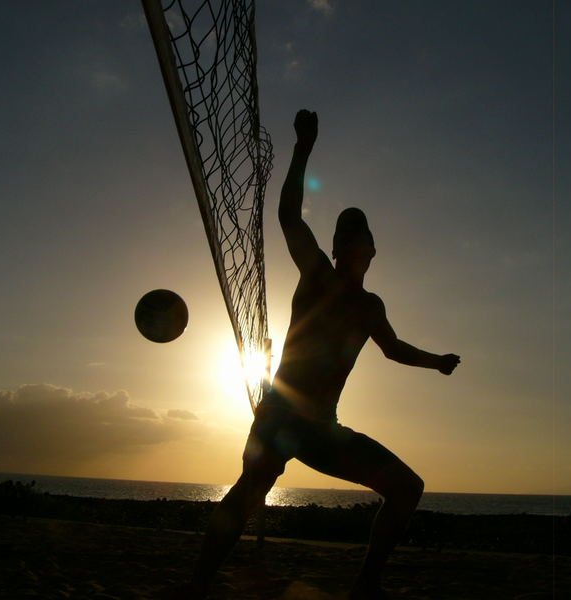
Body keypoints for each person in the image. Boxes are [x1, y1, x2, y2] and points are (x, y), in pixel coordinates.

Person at [190, 110, 460, 599]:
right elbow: (288, 216)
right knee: (248, 492)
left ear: (373, 250)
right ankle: (196, 586)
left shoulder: (370, 306)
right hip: (279, 415)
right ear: (338, 247)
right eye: (347, 233)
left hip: (322, 429)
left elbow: (394, 350)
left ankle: (366, 586)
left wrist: (436, 361)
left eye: (363, 234)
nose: (356, 240)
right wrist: (302, 147)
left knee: (407, 488)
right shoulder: (317, 275)